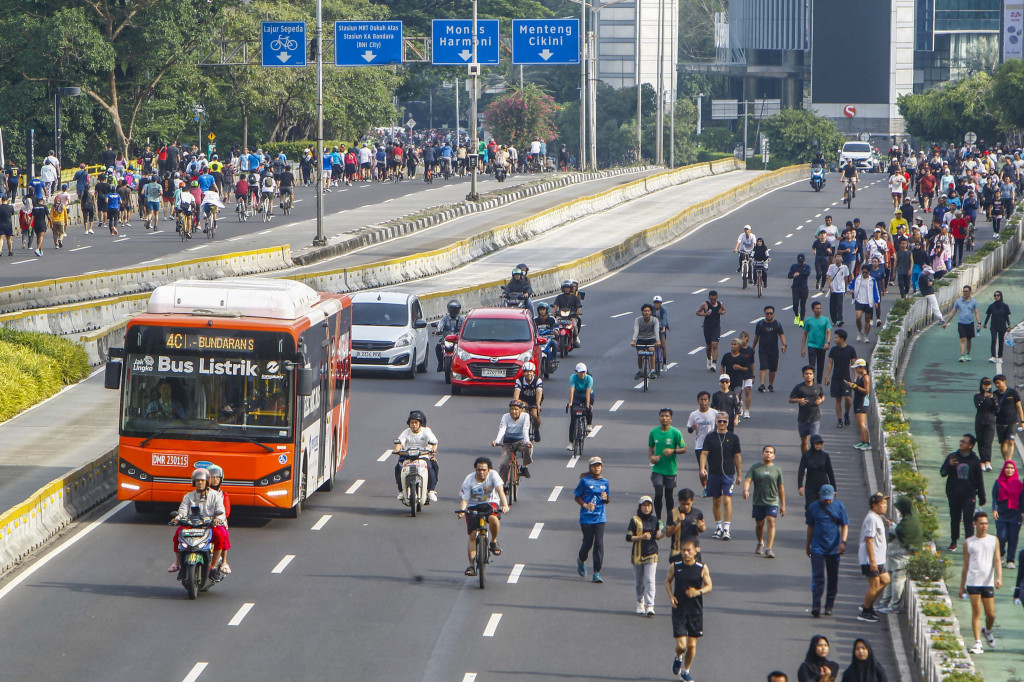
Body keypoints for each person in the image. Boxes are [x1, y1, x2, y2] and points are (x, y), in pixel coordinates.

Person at [665, 537, 712, 682]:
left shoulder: (702, 568)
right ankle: (678, 657)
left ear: (695, 551)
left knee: (691, 645)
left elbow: (709, 585)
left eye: (688, 550)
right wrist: (671, 596)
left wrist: (698, 592)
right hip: (679, 609)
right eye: (683, 550)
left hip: (695, 611)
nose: (685, 553)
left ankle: (686, 671)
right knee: (682, 645)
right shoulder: (675, 566)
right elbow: (667, 581)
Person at [167, 468, 228, 575]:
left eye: (202, 480)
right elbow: (182, 511)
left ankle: (213, 567)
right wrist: (177, 519)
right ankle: (178, 562)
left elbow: (222, 512)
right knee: (177, 534)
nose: (200, 483)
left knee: (221, 535)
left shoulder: (216, 496)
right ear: (194, 482)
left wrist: (218, 519)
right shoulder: (188, 496)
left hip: (210, 525)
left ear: (207, 482)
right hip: (192, 525)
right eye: (198, 480)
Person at [457, 458, 510, 575]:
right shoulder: (469, 479)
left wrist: (505, 505)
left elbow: (500, 491)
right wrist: (462, 510)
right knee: (472, 534)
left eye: (484, 470)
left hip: (490, 504)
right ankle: (471, 566)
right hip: (473, 506)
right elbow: (465, 499)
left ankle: (494, 542)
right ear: (475, 469)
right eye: (479, 470)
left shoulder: (493, 475)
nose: (481, 472)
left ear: (489, 469)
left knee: (493, 519)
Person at [960, 511, 1002, 654]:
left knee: (991, 614)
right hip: (973, 581)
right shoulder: (968, 543)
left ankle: (988, 631)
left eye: (986, 523)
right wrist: (962, 587)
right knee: (976, 612)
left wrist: (999, 577)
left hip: (988, 582)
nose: (984, 526)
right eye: (981, 523)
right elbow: (966, 565)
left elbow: (997, 560)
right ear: (975, 524)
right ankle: (977, 642)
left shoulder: (993, 540)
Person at [805, 484, 849, 617]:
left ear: (834, 496)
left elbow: (845, 525)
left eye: (829, 498)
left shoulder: (839, 506)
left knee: (833, 578)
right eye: (825, 499)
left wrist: (843, 542)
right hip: (818, 547)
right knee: (818, 577)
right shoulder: (814, 507)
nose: (828, 501)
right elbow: (810, 527)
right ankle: (816, 605)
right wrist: (808, 545)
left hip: (834, 548)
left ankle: (829, 605)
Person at [698, 412, 742, 541]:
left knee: (727, 500)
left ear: (728, 422)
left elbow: (737, 457)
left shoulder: (733, 438)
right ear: (716, 422)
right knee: (716, 500)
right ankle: (718, 527)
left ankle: (726, 528)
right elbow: (704, 453)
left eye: (724, 421)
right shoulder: (710, 437)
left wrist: (739, 474)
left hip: (728, 473)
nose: (722, 423)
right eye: (719, 421)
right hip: (714, 473)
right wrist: (702, 468)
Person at [876, 495, 924, 614]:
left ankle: (895, 605)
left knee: (897, 581)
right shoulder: (906, 520)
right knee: (890, 581)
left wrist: (892, 527)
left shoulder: (910, 522)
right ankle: (885, 602)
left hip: (901, 558)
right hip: (894, 556)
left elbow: (902, 531)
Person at [743, 445, 786, 558]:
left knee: (771, 521)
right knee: (759, 524)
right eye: (766, 452)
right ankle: (760, 542)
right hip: (758, 501)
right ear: (762, 454)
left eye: (771, 452)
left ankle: (769, 548)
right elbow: (748, 480)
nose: (768, 454)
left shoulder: (777, 469)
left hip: (772, 501)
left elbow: (781, 487)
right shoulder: (755, 467)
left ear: (774, 456)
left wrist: (783, 505)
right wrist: (746, 489)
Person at [574, 456, 609, 582]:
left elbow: (607, 500)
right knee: (588, 542)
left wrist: (605, 498)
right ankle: (581, 560)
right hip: (587, 518)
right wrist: (585, 505)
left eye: (599, 466)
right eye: (594, 466)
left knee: (599, 544)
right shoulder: (585, 481)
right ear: (590, 468)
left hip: (600, 517)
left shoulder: (605, 482)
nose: (597, 468)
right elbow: (577, 497)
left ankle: (596, 573)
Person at [858, 492, 892, 623]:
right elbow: (869, 540)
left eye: (885, 504)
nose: (885, 506)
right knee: (875, 584)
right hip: (871, 559)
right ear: (874, 505)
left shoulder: (877, 517)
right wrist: (872, 561)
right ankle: (865, 610)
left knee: (885, 580)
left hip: (879, 558)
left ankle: (868, 604)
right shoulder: (872, 519)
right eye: (882, 504)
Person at [627, 495, 663, 616]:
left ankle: (650, 605)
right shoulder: (635, 520)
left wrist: (659, 535)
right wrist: (641, 537)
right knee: (639, 581)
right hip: (637, 553)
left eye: (649, 506)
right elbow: (628, 537)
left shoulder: (654, 520)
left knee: (650, 580)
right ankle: (640, 601)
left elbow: (659, 534)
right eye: (644, 506)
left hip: (652, 553)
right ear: (640, 507)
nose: (646, 508)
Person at [649, 408, 686, 523]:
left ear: (671, 419)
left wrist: (673, 451)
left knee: (669, 495)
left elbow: (684, 449)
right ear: (659, 417)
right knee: (658, 493)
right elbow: (651, 448)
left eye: (666, 416)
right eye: (662, 416)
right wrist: (652, 457)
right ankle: (659, 519)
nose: (664, 418)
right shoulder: (653, 432)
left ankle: (669, 520)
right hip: (657, 469)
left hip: (670, 470)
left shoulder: (676, 433)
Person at [394, 410, 440, 501]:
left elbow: (434, 442)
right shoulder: (406, 432)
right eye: (412, 423)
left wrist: (434, 448)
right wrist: (397, 449)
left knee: (431, 467)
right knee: (398, 468)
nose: (414, 425)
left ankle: (431, 490)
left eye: (416, 422)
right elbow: (399, 442)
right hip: (408, 456)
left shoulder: (426, 431)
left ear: (420, 424)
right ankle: (402, 491)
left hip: (423, 455)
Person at [491, 400, 534, 480]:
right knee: (503, 464)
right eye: (511, 409)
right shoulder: (505, 416)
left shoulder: (525, 416)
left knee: (529, 448)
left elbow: (525, 430)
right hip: (508, 443)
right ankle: (503, 484)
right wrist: (497, 441)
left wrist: (527, 442)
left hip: (520, 441)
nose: (513, 412)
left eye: (516, 409)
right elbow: (502, 429)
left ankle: (524, 467)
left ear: (521, 410)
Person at [992, 460, 1023, 567]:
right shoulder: (998, 483)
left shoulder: (1019, 484)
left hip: (1015, 514)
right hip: (1001, 514)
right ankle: (1001, 553)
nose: (1009, 470)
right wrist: (994, 509)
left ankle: (1011, 560)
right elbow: (994, 497)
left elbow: (1022, 500)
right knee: (1001, 536)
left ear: (1014, 470)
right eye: (1007, 468)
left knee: (1013, 537)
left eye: (1011, 468)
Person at [824, 329, 857, 428]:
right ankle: (839, 420)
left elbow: (853, 364)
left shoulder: (850, 349)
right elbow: (830, 363)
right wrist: (827, 376)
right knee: (838, 400)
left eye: (836, 337)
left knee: (848, 399)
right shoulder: (833, 350)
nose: (835, 339)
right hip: (836, 378)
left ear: (842, 338)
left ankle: (846, 413)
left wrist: (855, 376)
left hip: (846, 379)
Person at [790, 366, 826, 453]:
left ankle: (814, 460)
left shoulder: (818, 387)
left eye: (810, 374)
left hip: (815, 419)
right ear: (803, 376)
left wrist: (821, 400)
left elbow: (822, 396)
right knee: (804, 442)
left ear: (813, 375)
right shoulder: (799, 387)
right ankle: (805, 459)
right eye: (806, 374)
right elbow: (790, 399)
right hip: (803, 419)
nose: (808, 375)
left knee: (815, 441)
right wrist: (798, 400)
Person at [205, 465, 234, 574]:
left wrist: (217, 519)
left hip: (217, 523)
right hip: (201, 523)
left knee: (222, 535)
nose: (215, 480)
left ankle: (224, 562)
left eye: (218, 477)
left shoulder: (223, 495)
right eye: (213, 477)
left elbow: (226, 512)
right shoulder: (200, 493)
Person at [753, 306, 787, 393]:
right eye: (767, 313)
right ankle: (762, 384)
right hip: (763, 349)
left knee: (772, 369)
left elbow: (781, 334)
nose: (769, 315)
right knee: (763, 366)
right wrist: (753, 347)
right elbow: (756, 337)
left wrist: (784, 345)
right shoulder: (760, 324)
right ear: (764, 314)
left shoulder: (777, 324)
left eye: (771, 313)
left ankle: (770, 385)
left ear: (774, 314)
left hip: (774, 350)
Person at [666, 489, 705, 564]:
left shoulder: (698, 513)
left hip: (694, 551)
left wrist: (701, 527)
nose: (686, 507)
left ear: (692, 501)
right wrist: (677, 522)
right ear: (679, 501)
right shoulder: (673, 513)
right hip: (677, 551)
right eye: (683, 504)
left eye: (688, 504)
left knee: (694, 574)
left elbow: (702, 529)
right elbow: (668, 533)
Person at [798, 435, 837, 509]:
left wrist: (834, 489)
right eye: (816, 444)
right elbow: (801, 471)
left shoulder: (825, 456)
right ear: (812, 444)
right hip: (810, 486)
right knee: (810, 507)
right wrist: (800, 486)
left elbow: (830, 472)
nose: (818, 445)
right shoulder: (806, 456)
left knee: (825, 507)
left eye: (820, 444)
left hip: (823, 485)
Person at [993, 373, 1024, 462]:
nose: (997, 385)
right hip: (1000, 422)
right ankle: (1006, 460)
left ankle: (1009, 461)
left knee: (1011, 440)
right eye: (996, 383)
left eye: (999, 382)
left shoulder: (1012, 392)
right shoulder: (994, 394)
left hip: (1012, 421)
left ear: (1004, 381)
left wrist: (1022, 421)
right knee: (1003, 443)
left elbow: (1019, 406)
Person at [947, 285, 982, 362]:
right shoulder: (958, 301)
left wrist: (979, 323)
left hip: (970, 322)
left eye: (966, 291)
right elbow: (953, 311)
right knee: (962, 339)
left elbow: (976, 313)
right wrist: (946, 322)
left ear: (970, 292)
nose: (965, 293)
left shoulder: (973, 302)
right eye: (964, 291)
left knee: (969, 340)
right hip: (961, 322)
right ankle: (962, 355)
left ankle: (968, 354)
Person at [513, 362, 543, 442]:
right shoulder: (519, 380)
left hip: (534, 399)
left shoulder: (537, 380)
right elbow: (516, 392)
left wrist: (538, 404)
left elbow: (539, 392)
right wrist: (515, 403)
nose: (528, 373)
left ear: (533, 372)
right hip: (524, 399)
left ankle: (536, 430)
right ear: (523, 372)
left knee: (534, 415)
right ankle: (519, 431)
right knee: (521, 412)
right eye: (526, 371)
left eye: (530, 371)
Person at [801, 301, 832, 380]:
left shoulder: (825, 320)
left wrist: (827, 343)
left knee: (820, 365)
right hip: (811, 345)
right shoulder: (808, 320)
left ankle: (818, 383)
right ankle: (811, 383)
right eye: (817, 308)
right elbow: (805, 334)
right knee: (812, 366)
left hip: (822, 346)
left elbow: (828, 332)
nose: (819, 310)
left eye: (820, 308)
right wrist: (802, 348)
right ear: (813, 309)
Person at [847, 359, 872, 450]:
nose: (855, 370)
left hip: (862, 401)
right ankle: (862, 441)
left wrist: (855, 387)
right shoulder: (859, 376)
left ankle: (867, 442)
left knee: (862, 424)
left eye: (856, 368)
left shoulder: (866, 377)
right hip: (857, 400)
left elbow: (866, 391)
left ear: (861, 367)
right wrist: (852, 385)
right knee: (859, 423)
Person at [696, 291, 725, 372]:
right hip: (707, 327)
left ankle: (714, 364)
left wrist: (722, 312)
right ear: (709, 298)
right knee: (709, 346)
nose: (713, 301)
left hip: (716, 327)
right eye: (711, 299)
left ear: (717, 298)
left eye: (714, 299)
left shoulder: (720, 304)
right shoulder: (705, 304)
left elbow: (724, 311)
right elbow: (697, 312)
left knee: (715, 344)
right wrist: (705, 314)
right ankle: (709, 358)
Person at [631, 303, 661, 380]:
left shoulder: (655, 320)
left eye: (648, 311)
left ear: (651, 312)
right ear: (642, 312)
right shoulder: (638, 320)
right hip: (641, 339)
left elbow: (656, 331)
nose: (646, 312)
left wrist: (658, 341)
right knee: (640, 353)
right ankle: (640, 370)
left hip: (651, 339)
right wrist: (633, 341)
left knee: (651, 350)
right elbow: (636, 331)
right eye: (645, 311)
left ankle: (653, 371)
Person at [852, 265, 880, 343]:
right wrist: (851, 289)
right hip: (859, 301)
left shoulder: (872, 280)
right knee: (858, 317)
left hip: (868, 302)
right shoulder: (857, 279)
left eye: (866, 273)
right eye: (863, 272)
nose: (864, 274)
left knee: (867, 320)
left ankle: (866, 335)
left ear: (869, 272)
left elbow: (875, 291)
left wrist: (876, 301)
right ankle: (860, 332)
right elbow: (851, 284)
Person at [434, 299, 465, 371]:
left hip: (458, 340)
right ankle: (440, 363)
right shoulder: (444, 319)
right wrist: (438, 331)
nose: (453, 311)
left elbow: (465, 327)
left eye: (455, 309)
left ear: (458, 310)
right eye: (451, 309)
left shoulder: (462, 319)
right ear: (448, 309)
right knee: (438, 347)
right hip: (446, 339)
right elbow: (440, 326)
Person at [975, 378, 998, 471]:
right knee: (980, 441)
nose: (987, 386)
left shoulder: (994, 396)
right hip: (980, 420)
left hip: (990, 421)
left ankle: (988, 461)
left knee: (988, 442)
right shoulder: (977, 396)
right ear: (981, 385)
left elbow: (996, 408)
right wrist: (984, 396)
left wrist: (992, 398)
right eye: (985, 384)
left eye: (988, 384)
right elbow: (978, 406)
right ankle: (982, 462)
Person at [983, 291, 1012, 363]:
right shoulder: (991, 306)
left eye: (998, 295)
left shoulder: (1005, 306)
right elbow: (988, 315)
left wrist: (1009, 325)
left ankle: (1000, 356)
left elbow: (1006, 316)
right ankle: (993, 356)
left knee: (1001, 341)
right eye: (995, 295)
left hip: (1002, 325)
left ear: (1000, 296)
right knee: (993, 340)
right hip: (994, 325)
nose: (996, 297)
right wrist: (985, 323)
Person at [552, 280, 583, 347]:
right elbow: (555, 305)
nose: (566, 289)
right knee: (554, 323)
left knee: (574, 325)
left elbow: (579, 306)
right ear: (563, 289)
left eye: (568, 288)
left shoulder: (574, 297)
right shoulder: (559, 297)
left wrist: (578, 312)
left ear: (571, 288)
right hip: (561, 315)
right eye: (565, 288)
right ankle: (554, 339)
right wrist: (553, 311)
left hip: (571, 316)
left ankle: (575, 339)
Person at [825, 253, 849, 326]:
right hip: (833, 289)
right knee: (832, 305)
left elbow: (846, 278)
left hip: (841, 289)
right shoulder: (831, 267)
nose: (838, 259)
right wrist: (830, 286)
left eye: (839, 257)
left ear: (842, 259)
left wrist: (845, 288)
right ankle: (834, 320)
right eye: (837, 257)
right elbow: (828, 277)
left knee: (839, 305)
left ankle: (839, 319)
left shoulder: (844, 267)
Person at [789, 253, 812, 325]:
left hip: (804, 288)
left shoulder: (807, 266)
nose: (800, 262)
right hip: (795, 288)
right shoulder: (794, 266)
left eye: (801, 261)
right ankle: (796, 315)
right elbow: (789, 275)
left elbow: (807, 274)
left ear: (804, 260)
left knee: (803, 304)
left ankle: (802, 320)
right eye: (799, 261)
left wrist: (798, 274)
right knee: (795, 304)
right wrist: (793, 275)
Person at [652, 295, 669, 364]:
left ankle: (664, 362)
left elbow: (665, 318)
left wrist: (664, 327)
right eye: (655, 302)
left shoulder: (663, 309)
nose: (656, 304)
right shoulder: (651, 309)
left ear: (661, 303)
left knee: (663, 345)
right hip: (653, 327)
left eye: (658, 302)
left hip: (661, 327)